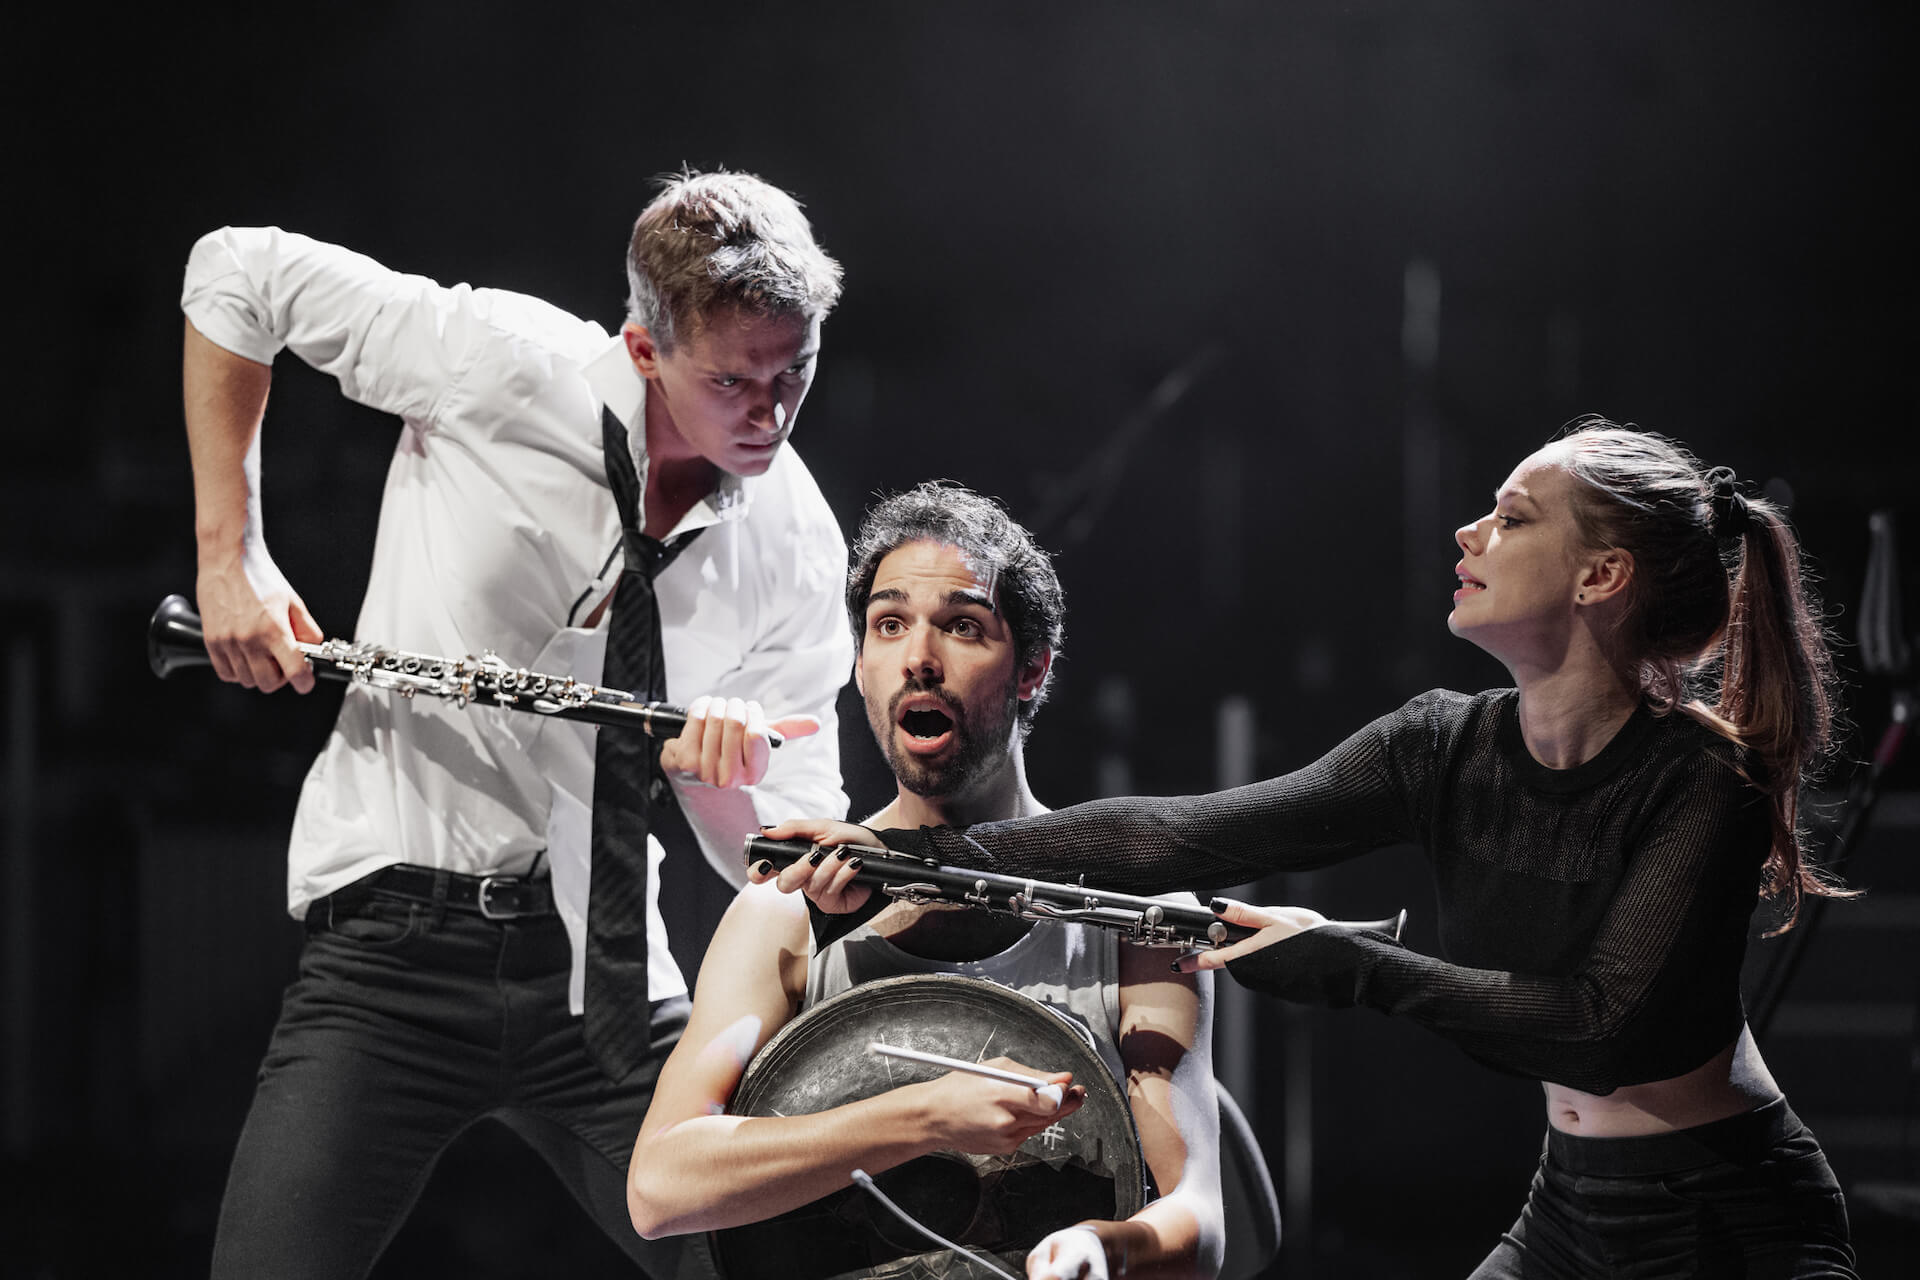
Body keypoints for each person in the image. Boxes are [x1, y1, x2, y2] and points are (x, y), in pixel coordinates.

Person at [765, 422, 1859, 1277]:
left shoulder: (1702, 779)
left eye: (1512, 518)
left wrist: (1348, 965)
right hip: (1571, 1202)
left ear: (1601, 576)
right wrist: (914, 859)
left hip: (1729, 1214)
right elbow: (1185, 833)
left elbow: (1598, 1028)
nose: (1468, 534)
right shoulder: (1443, 743)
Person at [180, 170, 852, 1279]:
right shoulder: (498, 360)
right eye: (733, 380)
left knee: (776, 1265)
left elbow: (777, 858)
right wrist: (230, 555)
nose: (771, 414)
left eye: (796, 372)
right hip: (392, 953)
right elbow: (234, 273)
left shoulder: (796, 541)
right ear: (645, 349)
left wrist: (727, 779)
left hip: (607, 972)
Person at [629, 483, 1224, 1280]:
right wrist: (925, 1116)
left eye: (963, 626)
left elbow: (1200, 1220)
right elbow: (660, 1188)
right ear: (860, 668)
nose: (918, 657)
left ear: (1032, 669)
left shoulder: (1131, 917)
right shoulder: (785, 914)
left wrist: (1102, 1246)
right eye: (889, 624)